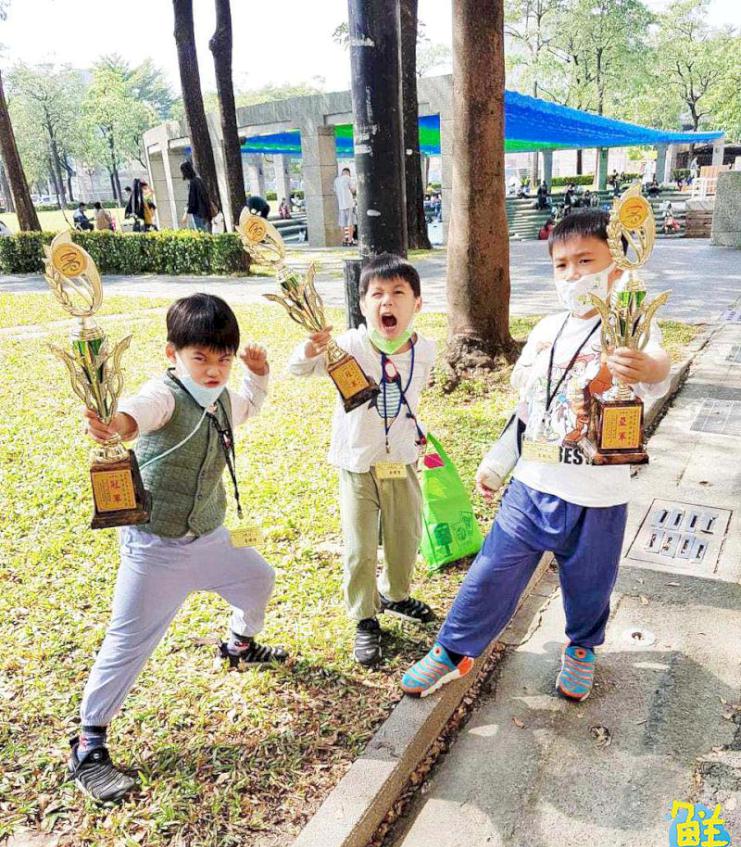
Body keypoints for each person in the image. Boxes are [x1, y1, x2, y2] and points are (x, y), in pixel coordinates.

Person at [401, 209, 671, 701]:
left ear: (618, 264)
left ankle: (582, 647)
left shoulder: (630, 324)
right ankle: (452, 650)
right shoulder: (547, 330)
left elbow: (656, 368)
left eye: (585, 260)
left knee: (591, 582)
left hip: (599, 494)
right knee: (491, 572)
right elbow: (529, 408)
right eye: (561, 265)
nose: (572, 275)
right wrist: (498, 463)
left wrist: (641, 363)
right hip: (533, 486)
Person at [67, 294, 288, 803]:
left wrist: (257, 373)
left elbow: (250, 407)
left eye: (223, 358)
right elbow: (139, 412)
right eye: (201, 358)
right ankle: (89, 742)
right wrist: (115, 424)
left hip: (210, 536)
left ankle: (239, 645)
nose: (214, 370)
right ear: (173, 354)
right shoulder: (165, 394)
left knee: (258, 580)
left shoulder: (227, 396)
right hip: (155, 547)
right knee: (128, 642)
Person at [288, 254, 437, 666]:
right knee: (360, 549)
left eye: (398, 294)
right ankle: (364, 617)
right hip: (357, 463)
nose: (386, 303)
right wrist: (310, 347)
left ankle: (395, 595)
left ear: (417, 304)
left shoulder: (426, 349)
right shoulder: (349, 345)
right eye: (377, 294)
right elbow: (298, 369)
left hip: (402, 461)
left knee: (405, 540)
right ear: (363, 304)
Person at [180, 160, 213, 233]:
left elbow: (191, 200)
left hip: (197, 212)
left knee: (201, 232)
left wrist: (186, 213)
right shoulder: (198, 179)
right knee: (205, 231)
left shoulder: (192, 182)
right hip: (204, 211)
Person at [333, 166, 356, 246]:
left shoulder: (336, 180)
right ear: (348, 173)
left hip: (341, 205)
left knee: (342, 223)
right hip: (349, 203)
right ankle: (350, 240)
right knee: (350, 223)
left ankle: (343, 240)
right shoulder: (348, 178)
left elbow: (335, 191)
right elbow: (353, 189)